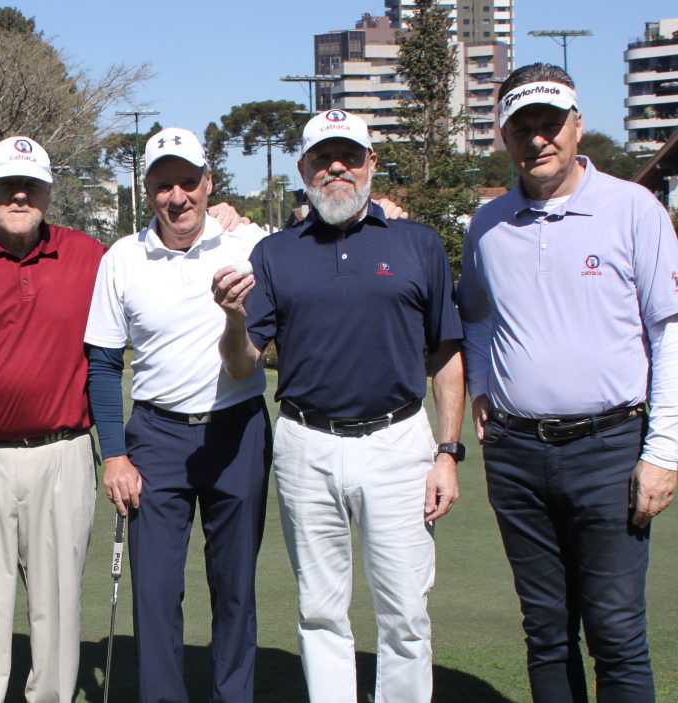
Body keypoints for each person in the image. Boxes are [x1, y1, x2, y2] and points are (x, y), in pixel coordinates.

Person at [0, 134, 247, 702]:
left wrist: (217, 218)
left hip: (64, 454)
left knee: (59, 609)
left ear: (48, 191)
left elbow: (163, 249)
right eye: (7, 185)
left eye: (32, 186)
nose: (20, 196)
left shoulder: (91, 255)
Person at [214, 109, 465, 703]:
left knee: (404, 613)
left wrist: (448, 452)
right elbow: (241, 363)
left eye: (349, 156)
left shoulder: (417, 242)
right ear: (303, 169)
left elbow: (447, 355)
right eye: (322, 158)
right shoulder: (275, 253)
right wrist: (231, 318)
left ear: (371, 164)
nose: (336, 168)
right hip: (307, 443)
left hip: (399, 440)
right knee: (320, 612)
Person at [457, 63, 678, 701]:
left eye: (550, 124)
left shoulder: (633, 208)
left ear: (577, 126)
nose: (538, 140)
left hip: (610, 447)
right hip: (518, 454)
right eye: (522, 127)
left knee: (615, 630)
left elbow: (668, 334)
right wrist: (480, 389)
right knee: (546, 630)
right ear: (504, 136)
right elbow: (477, 317)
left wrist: (663, 451)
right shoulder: (488, 224)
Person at [84, 127, 274, 703]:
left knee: (235, 586)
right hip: (156, 435)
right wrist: (114, 454)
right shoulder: (122, 257)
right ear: (147, 191)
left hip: (237, 431)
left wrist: (388, 206)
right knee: (157, 591)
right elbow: (102, 365)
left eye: (188, 182)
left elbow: (319, 232)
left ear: (208, 183)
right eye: (164, 185)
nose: (178, 197)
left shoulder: (250, 245)